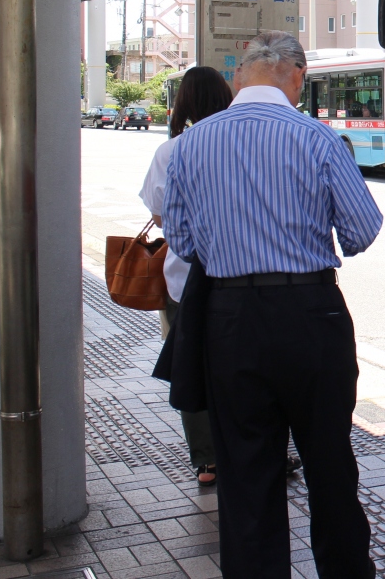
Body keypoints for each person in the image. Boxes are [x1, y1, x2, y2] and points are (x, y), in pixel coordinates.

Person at [162, 31, 383, 577]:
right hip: (311, 314)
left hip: (230, 321)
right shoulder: (319, 139)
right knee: (330, 464)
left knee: (245, 472)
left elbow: (184, 245)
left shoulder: (188, 146)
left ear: (240, 76)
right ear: (298, 77)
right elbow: (360, 232)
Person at [139, 66, 233, 485]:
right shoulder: (239, 143)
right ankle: (250, 449)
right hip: (239, 280)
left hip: (183, 279)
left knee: (190, 364)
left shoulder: (172, 150)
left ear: (183, 103)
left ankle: (208, 461)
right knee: (238, 367)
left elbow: (160, 215)